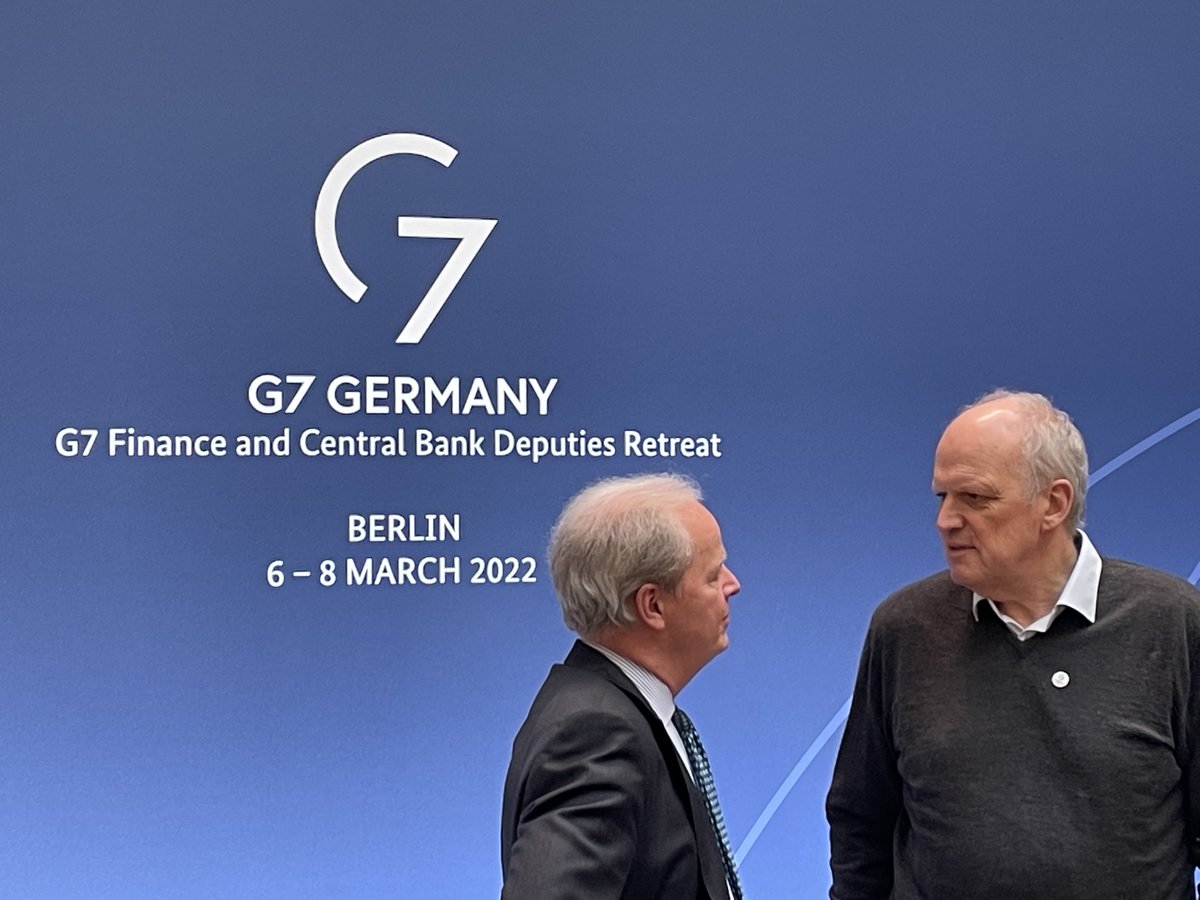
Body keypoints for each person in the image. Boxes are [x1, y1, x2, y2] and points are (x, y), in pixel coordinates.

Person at [827, 389, 1200, 899]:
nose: (945, 520)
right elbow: (860, 822)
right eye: (942, 496)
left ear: (1054, 503)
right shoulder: (904, 628)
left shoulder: (1173, 623)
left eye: (974, 497)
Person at [501, 473, 743, 899]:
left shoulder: (616, 711)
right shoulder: (596, 733)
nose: (732, 584)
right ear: (653, 605)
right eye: (711, 576)